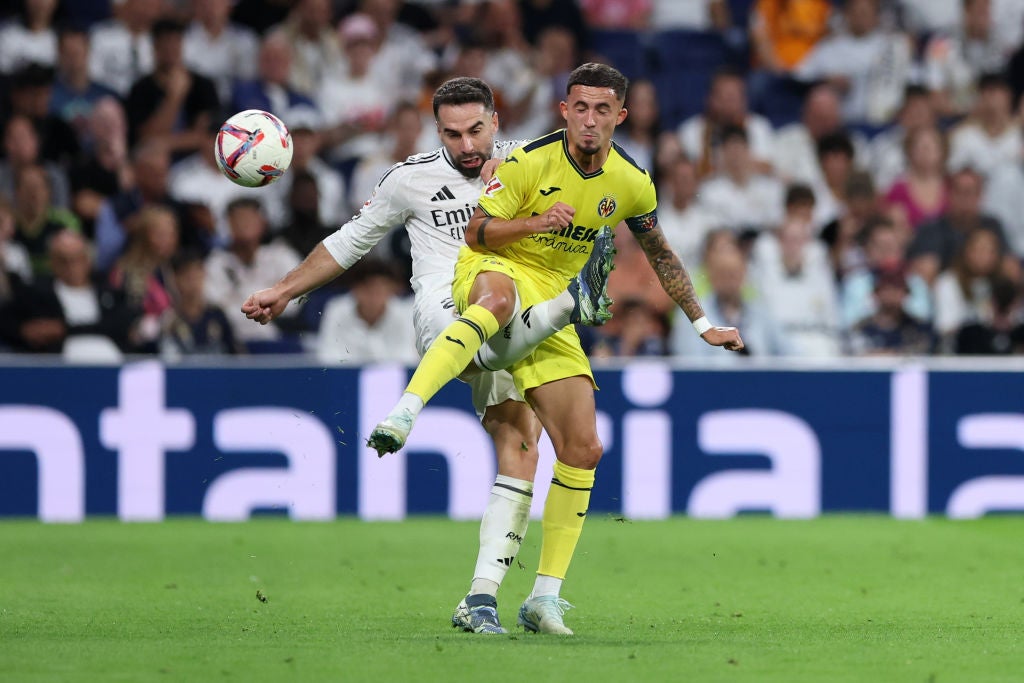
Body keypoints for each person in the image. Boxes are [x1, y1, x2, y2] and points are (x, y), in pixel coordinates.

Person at [367, 64, 744, 635]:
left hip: (551, 293)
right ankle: (406, 409)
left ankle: (543, 597)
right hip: (495, 268)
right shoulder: (527, 161)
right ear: (564, 110)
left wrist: (702, 322)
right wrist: (540, 220)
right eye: (579, 108)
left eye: (602, 110)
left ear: (620, 115)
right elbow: (476, 235)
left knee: (584, 447)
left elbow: (661, 254)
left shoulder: (632, 182)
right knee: (494, 304)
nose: (589, 120)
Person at [241, 77, 588, 634]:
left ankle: (481, 598)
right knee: (488, 339)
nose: (467, 145)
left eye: (476, 130)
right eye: (452, 134)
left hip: (512, 293)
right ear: (437, 132)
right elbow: (350, 241)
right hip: (443, 308)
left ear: (496, 122)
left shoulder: (529, 164)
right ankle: (554, 316)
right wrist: (285, 289)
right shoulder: (410, 180)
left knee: (522, 443)